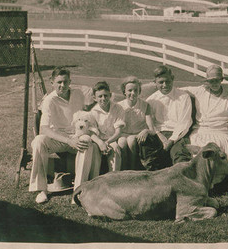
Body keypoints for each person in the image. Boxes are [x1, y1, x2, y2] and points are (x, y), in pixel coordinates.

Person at [29, 67, 101, 204]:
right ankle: (42, 190)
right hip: (60, 139)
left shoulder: (79, 94)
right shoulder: (49, 100)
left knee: (86, 140)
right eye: (59, 82)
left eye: (65, 82)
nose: (63, 85)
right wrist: (69, 141)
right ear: (52, 82)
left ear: (70, 82)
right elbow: (43, 129)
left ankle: (79, 191)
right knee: (38, 141)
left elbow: (88, 110)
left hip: (78, 136)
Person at [181, 64, 228, 169]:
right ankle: (202, 177)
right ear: (207, 82)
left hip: (220, 132)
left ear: (221, 80)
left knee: (217, 149)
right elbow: (180, 90)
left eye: (217, 80)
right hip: (200, 131)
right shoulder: (201, 91)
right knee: (198, 146)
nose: (214, 84)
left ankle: (218, 178)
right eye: (211, 81)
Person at [141, 65, 193, 170]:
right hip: (158, 134)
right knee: (149, 153)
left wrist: (171, 140)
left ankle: (180, 184)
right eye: (161, 82)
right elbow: (151, 123)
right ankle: (154, 181)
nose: (165, 85)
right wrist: (160, 136)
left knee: (180, 156)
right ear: (155, 82)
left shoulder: (183, 97)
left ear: (172, 79)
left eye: (167, 81)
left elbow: (184, 122)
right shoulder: (151, 100)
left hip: (178, 135)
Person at [117, 76, 157, 170]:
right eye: (129, 90)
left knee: (131, 140)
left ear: (139, 91)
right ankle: (123, 170)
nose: (133, 93)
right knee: (122, 142)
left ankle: (133, 170)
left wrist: (146, 131)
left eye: (136, 90)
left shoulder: (145, 105)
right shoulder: (118, 106)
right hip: (122, 134)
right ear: (124, 92)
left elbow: (152, 129)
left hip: (138, 135)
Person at [88, 81, 125, 172]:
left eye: (106, 95)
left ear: (110, 95)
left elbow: (118, 132)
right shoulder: (92, 112)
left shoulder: (118, 108)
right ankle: (95, 177)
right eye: (100, 96)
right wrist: (101, 143)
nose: (103, 99)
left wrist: (107, 142)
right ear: (94, 98)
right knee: (94, 151)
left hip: (112, 139)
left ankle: (114, 176)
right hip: (98, 141)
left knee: (115, 148)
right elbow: (92, 133)